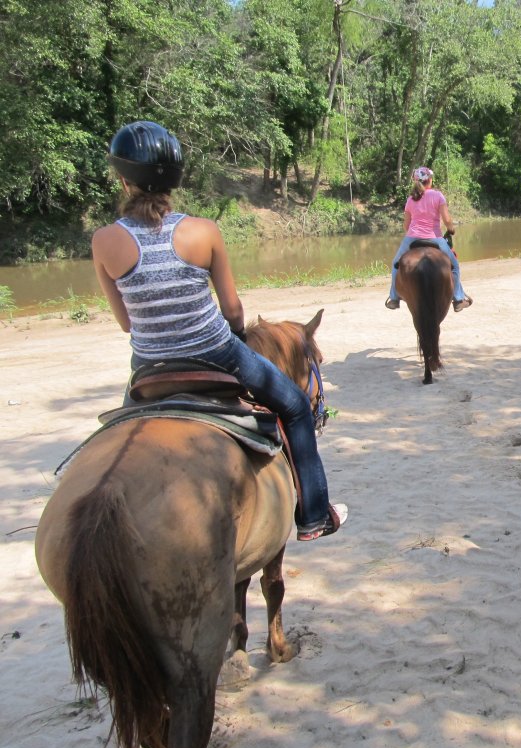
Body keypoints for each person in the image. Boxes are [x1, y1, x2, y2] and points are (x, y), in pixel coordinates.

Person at [92, 119, 345, 541]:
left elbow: (125, 323)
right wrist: (234, 332)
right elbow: (232, 308)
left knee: (118, 437)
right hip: (216, 352)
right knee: (298, 408)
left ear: (123, 179)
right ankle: (314, 516)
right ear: (175, 180)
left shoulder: (104, 241)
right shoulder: (202, 231)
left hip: (150, 366)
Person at [385, 166, 472, 311]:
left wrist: (414, 233)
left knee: (395, 264)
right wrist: (451, 229)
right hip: (435, 238)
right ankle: (458, 299)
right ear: (429, 180)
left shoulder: (410, 200)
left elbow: (405, 225)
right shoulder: (438, 196)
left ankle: (394, 298)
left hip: (412, 238)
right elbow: (447, 220)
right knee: (454, 265)